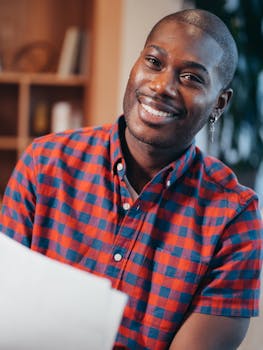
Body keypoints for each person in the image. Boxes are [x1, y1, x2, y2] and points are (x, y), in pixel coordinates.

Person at [0, 8, 262, 350]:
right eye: (154, 62)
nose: (162, 86)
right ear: (136, 65)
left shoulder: (233, 216)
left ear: (219, 103)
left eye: (191, 78)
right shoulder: (44, 164)